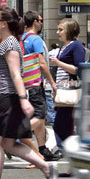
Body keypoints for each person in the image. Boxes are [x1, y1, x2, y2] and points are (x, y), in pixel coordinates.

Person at [0, 7, 58, 179]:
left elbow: (15, 73)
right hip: (6, 97)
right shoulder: (7, 43)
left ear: (3, 24)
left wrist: (22, 99)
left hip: (4, 97)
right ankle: (46, 167)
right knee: (9, 143)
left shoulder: (10, 44)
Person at [21, 11, 59, 162]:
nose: (42, 23)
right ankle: (15, 136)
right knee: (40, 115)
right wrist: (52, 82)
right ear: (35, 22)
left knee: (37, 116)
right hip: (36, 83)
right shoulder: (35, 39)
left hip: (24, 84)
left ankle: (42, 149)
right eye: (40, 20)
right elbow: (42, 63)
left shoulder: (21, 39)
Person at [48, 18, 85, 149]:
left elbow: (78, 69)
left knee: (61, 124)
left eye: (61, 29)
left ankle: (66, 151)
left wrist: (58, 63)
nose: (58, 32)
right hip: (62, 90)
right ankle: (69, 152)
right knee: (64, 124)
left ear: (69, 30)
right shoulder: (64, 47)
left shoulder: (76, 46)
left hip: (70, 90)